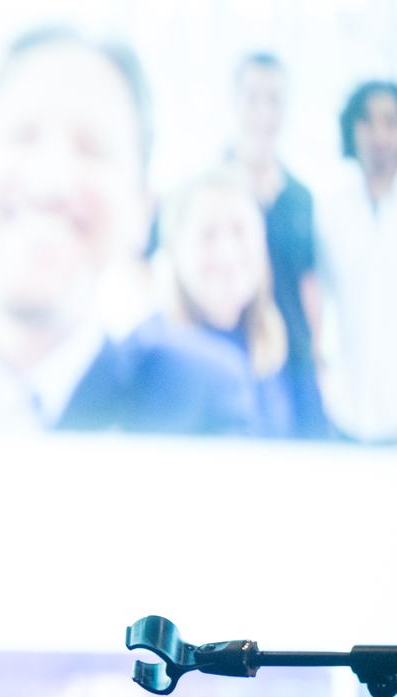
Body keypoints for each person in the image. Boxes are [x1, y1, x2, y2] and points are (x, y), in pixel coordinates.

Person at [0, 28, 257, 435]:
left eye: (91, 148)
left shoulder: (196, 402)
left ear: (142, 211)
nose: (49, 182)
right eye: (21, 135)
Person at [226, 52, 326, 438]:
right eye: (253, 98)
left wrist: (319, 360)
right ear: (235, 102)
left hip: (295, 368)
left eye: (275, 100)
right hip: (231, 358)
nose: (263, 112)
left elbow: (309, 285)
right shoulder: (211, 188)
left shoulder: (301, 196)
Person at [158, 169, 294, 437]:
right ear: (176, 249)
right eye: (208, 235)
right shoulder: (156, 358)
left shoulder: (274, 346)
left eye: (240, 231)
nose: (226, 254)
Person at [314, 80, 397, 443]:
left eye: (390, 121)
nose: (379, 134)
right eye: (367, 121)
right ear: (352, 129)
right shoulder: (331, 211)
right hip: (344, 407)